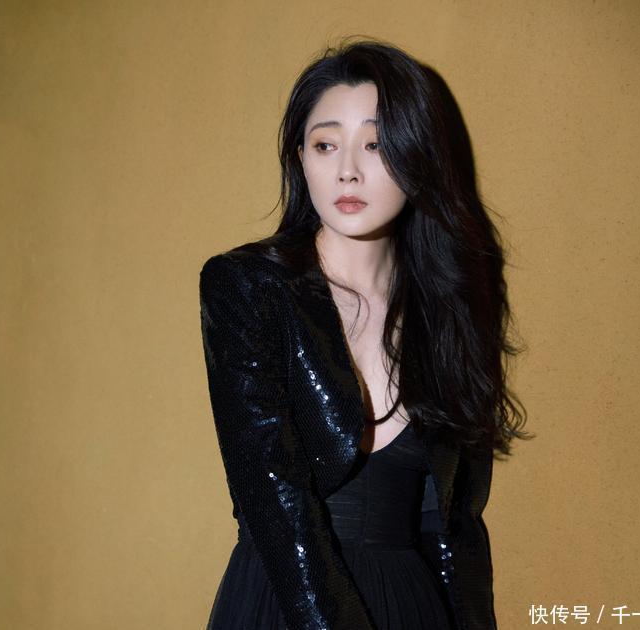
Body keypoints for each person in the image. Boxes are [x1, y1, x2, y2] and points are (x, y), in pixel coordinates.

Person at [199, 37, 531, 630]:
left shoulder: (450, 305)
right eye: (325, 144)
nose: (347, 169)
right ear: (300, 158)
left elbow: (454, 526)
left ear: (417, 155)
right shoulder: (250, 286)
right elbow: (273, 495)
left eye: (376, 145)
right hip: (287, 603)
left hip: (412, 606)